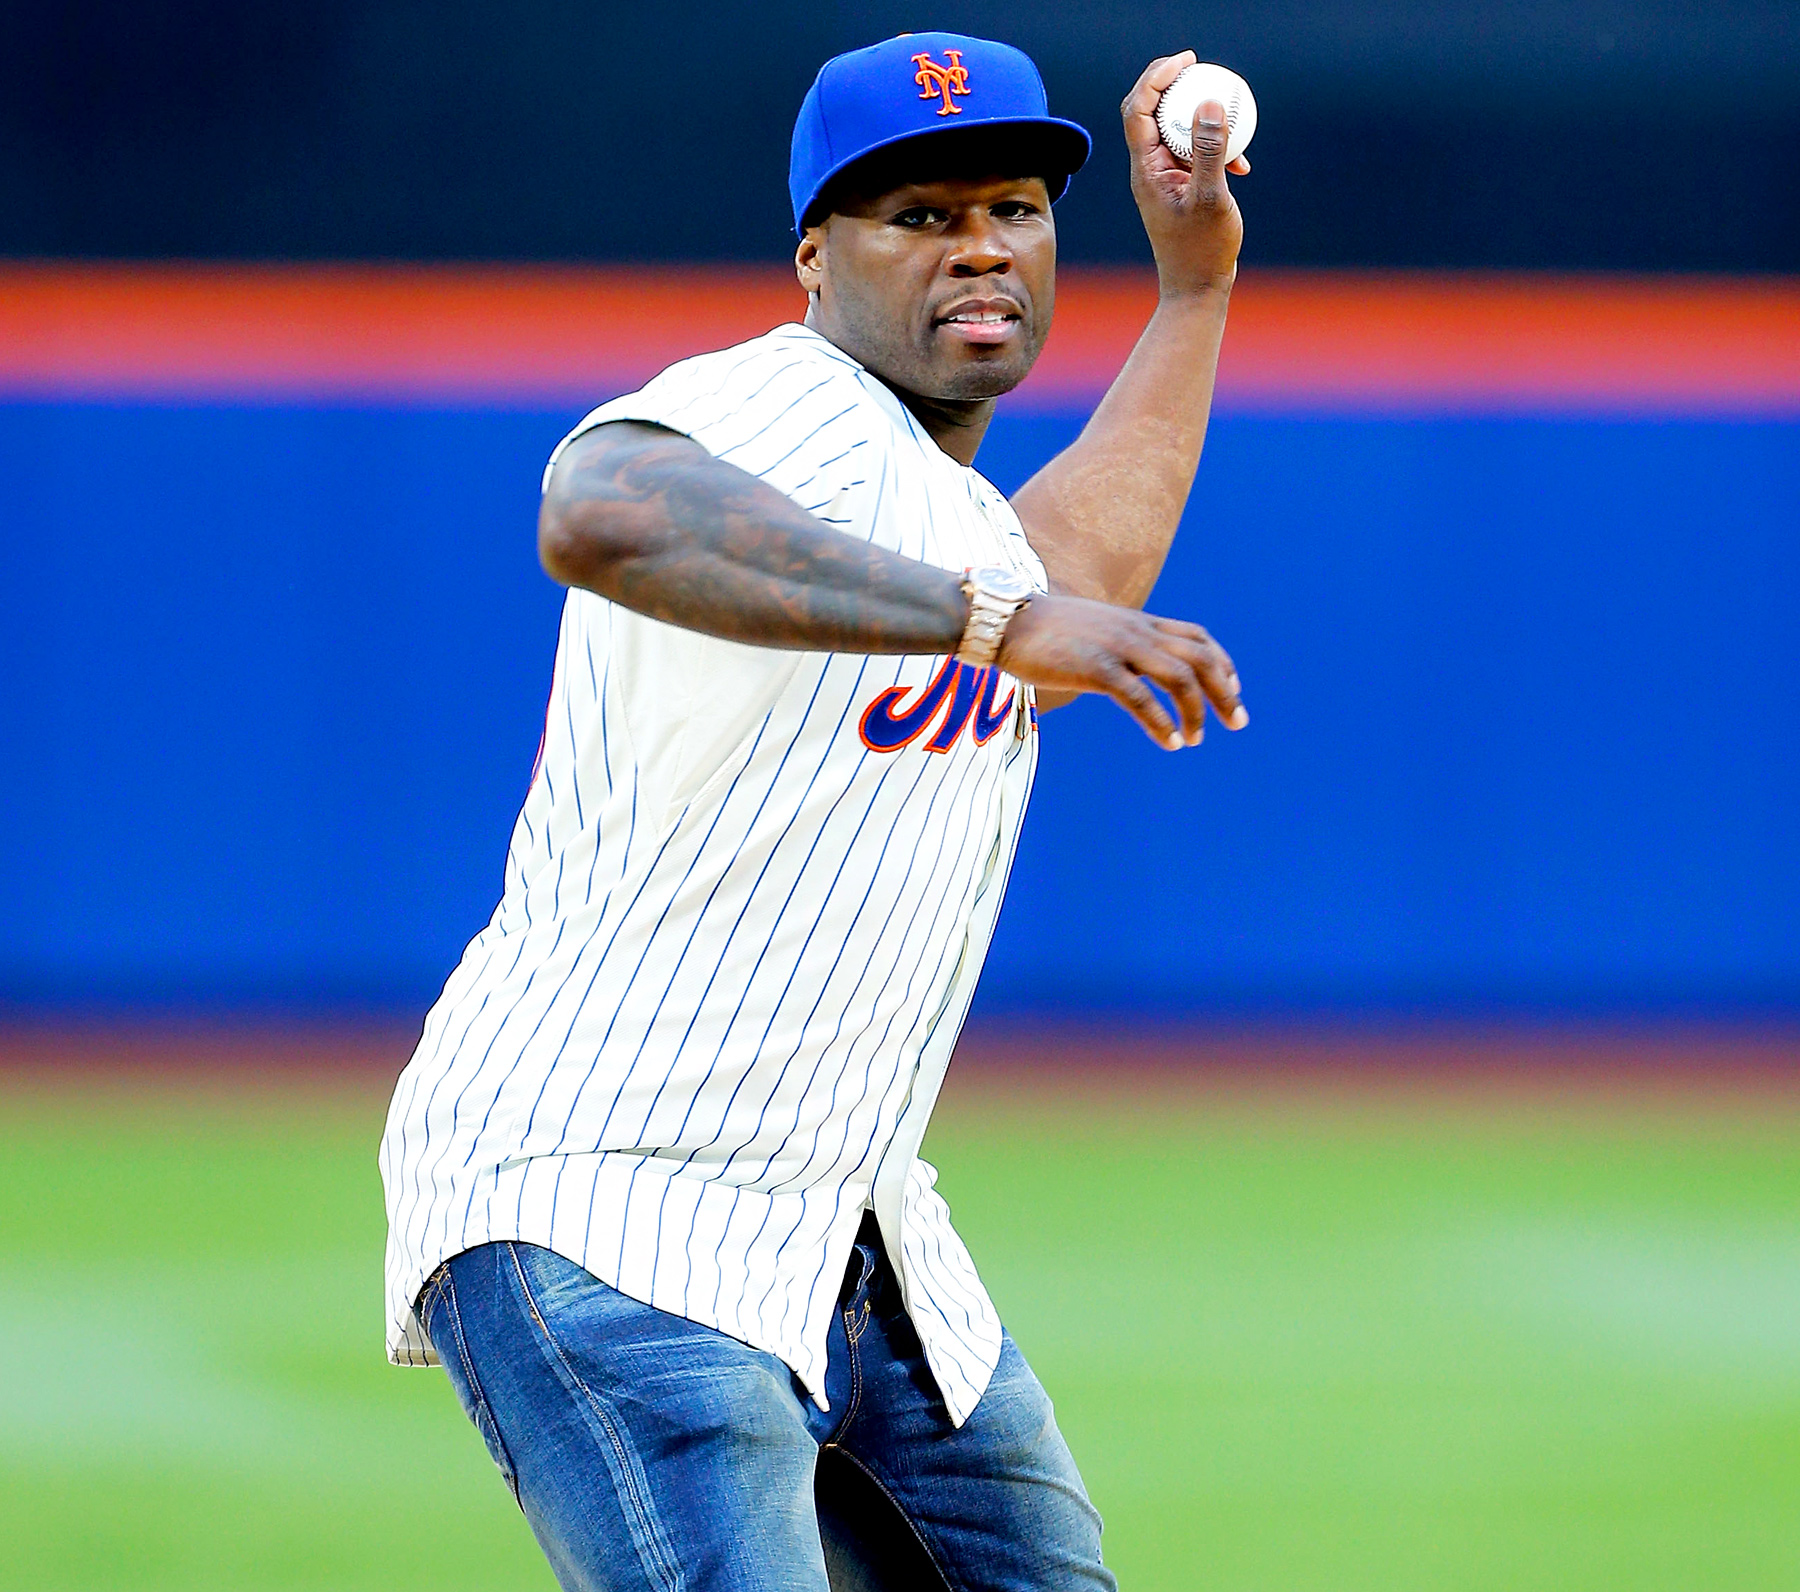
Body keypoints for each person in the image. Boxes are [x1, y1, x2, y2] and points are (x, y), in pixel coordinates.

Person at [379, 30, 1250, 1592]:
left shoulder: (942, 514)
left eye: (1014, 207)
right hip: (608, 1205)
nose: (979, 242)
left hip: (853, 1235)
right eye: (917, 215)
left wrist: (1191, 296)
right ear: (814, 258)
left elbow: (1073, 579)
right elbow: (597, 505)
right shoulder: (785, 402)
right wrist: (1000, 622)